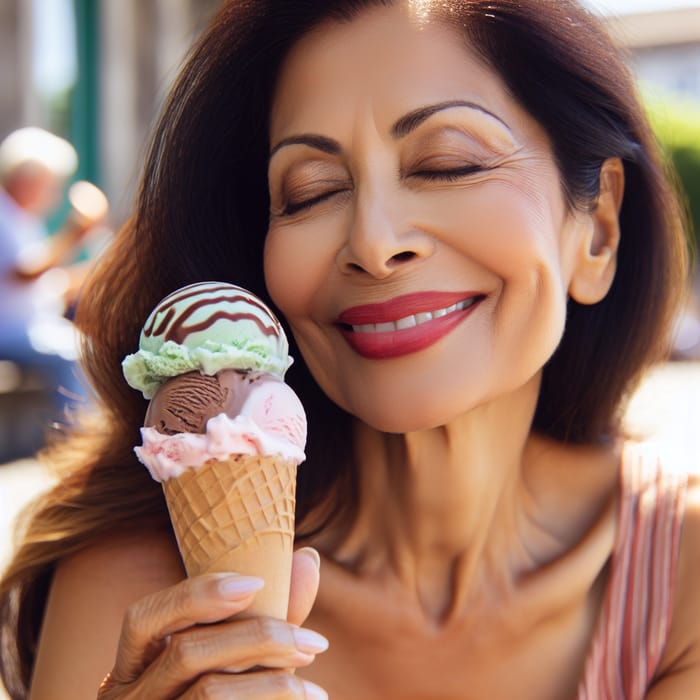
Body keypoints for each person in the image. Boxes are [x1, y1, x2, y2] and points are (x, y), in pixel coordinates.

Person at [0, 1, 698, 698]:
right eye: (311, 192)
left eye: (447, 164)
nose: (372, 240)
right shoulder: (140, 595)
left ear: (599, 230)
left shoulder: (680, 580)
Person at [0, 127, 99, 415]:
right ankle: (77, 440)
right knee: (73, 352)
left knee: (87, 345)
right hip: (11, 331)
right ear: (26, 180)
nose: (53, 194)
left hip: (28, 326)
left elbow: (41, 283)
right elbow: (24, 272)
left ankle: (87, 436)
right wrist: (75, 232)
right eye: (50, 184)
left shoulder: (22, 218)